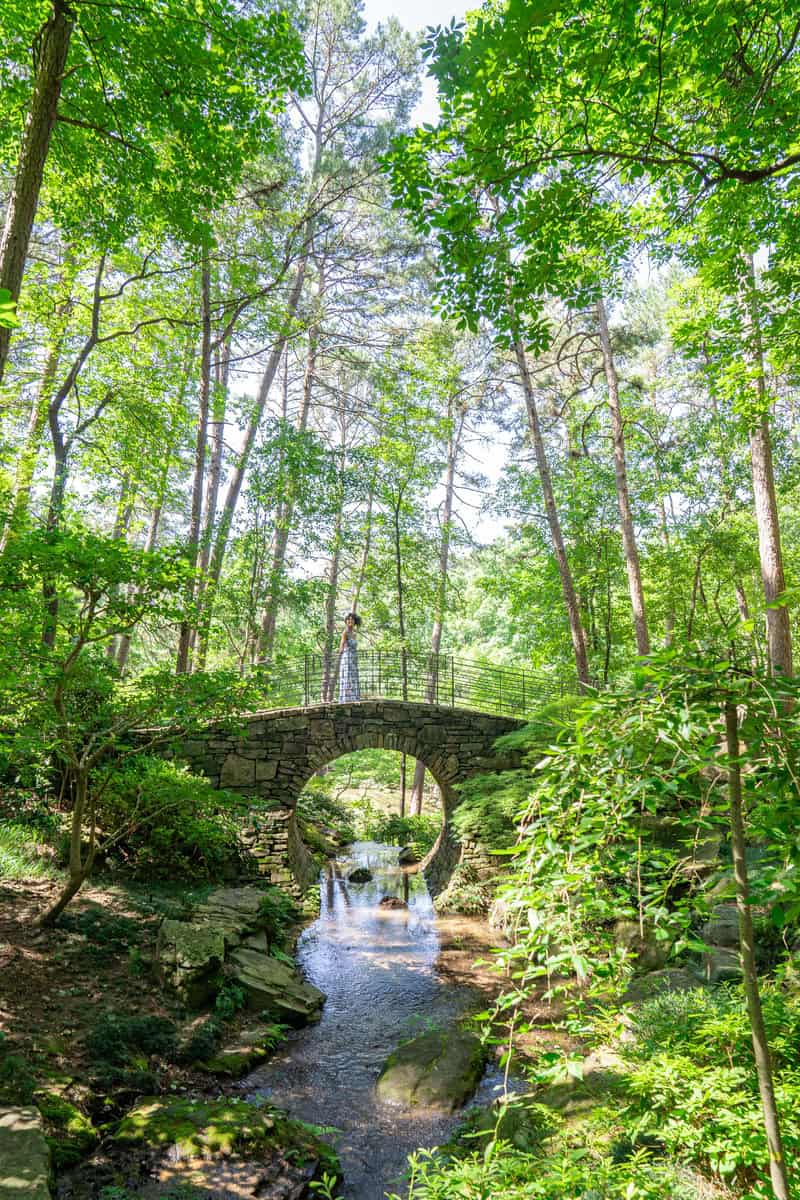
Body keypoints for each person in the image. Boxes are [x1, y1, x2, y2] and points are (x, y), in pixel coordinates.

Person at [338, 612, 362, 702]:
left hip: (353, 658)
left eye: (352, 620)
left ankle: (353, 698)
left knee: (353, 677)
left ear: (354, 622)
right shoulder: (345, 632)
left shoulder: (354, 634)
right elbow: (341, 646)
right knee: (347, 676)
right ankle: (346, 699)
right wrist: (339, 652)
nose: (350, 621)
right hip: (347, 657)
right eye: (348, 620)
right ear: (346, 622)